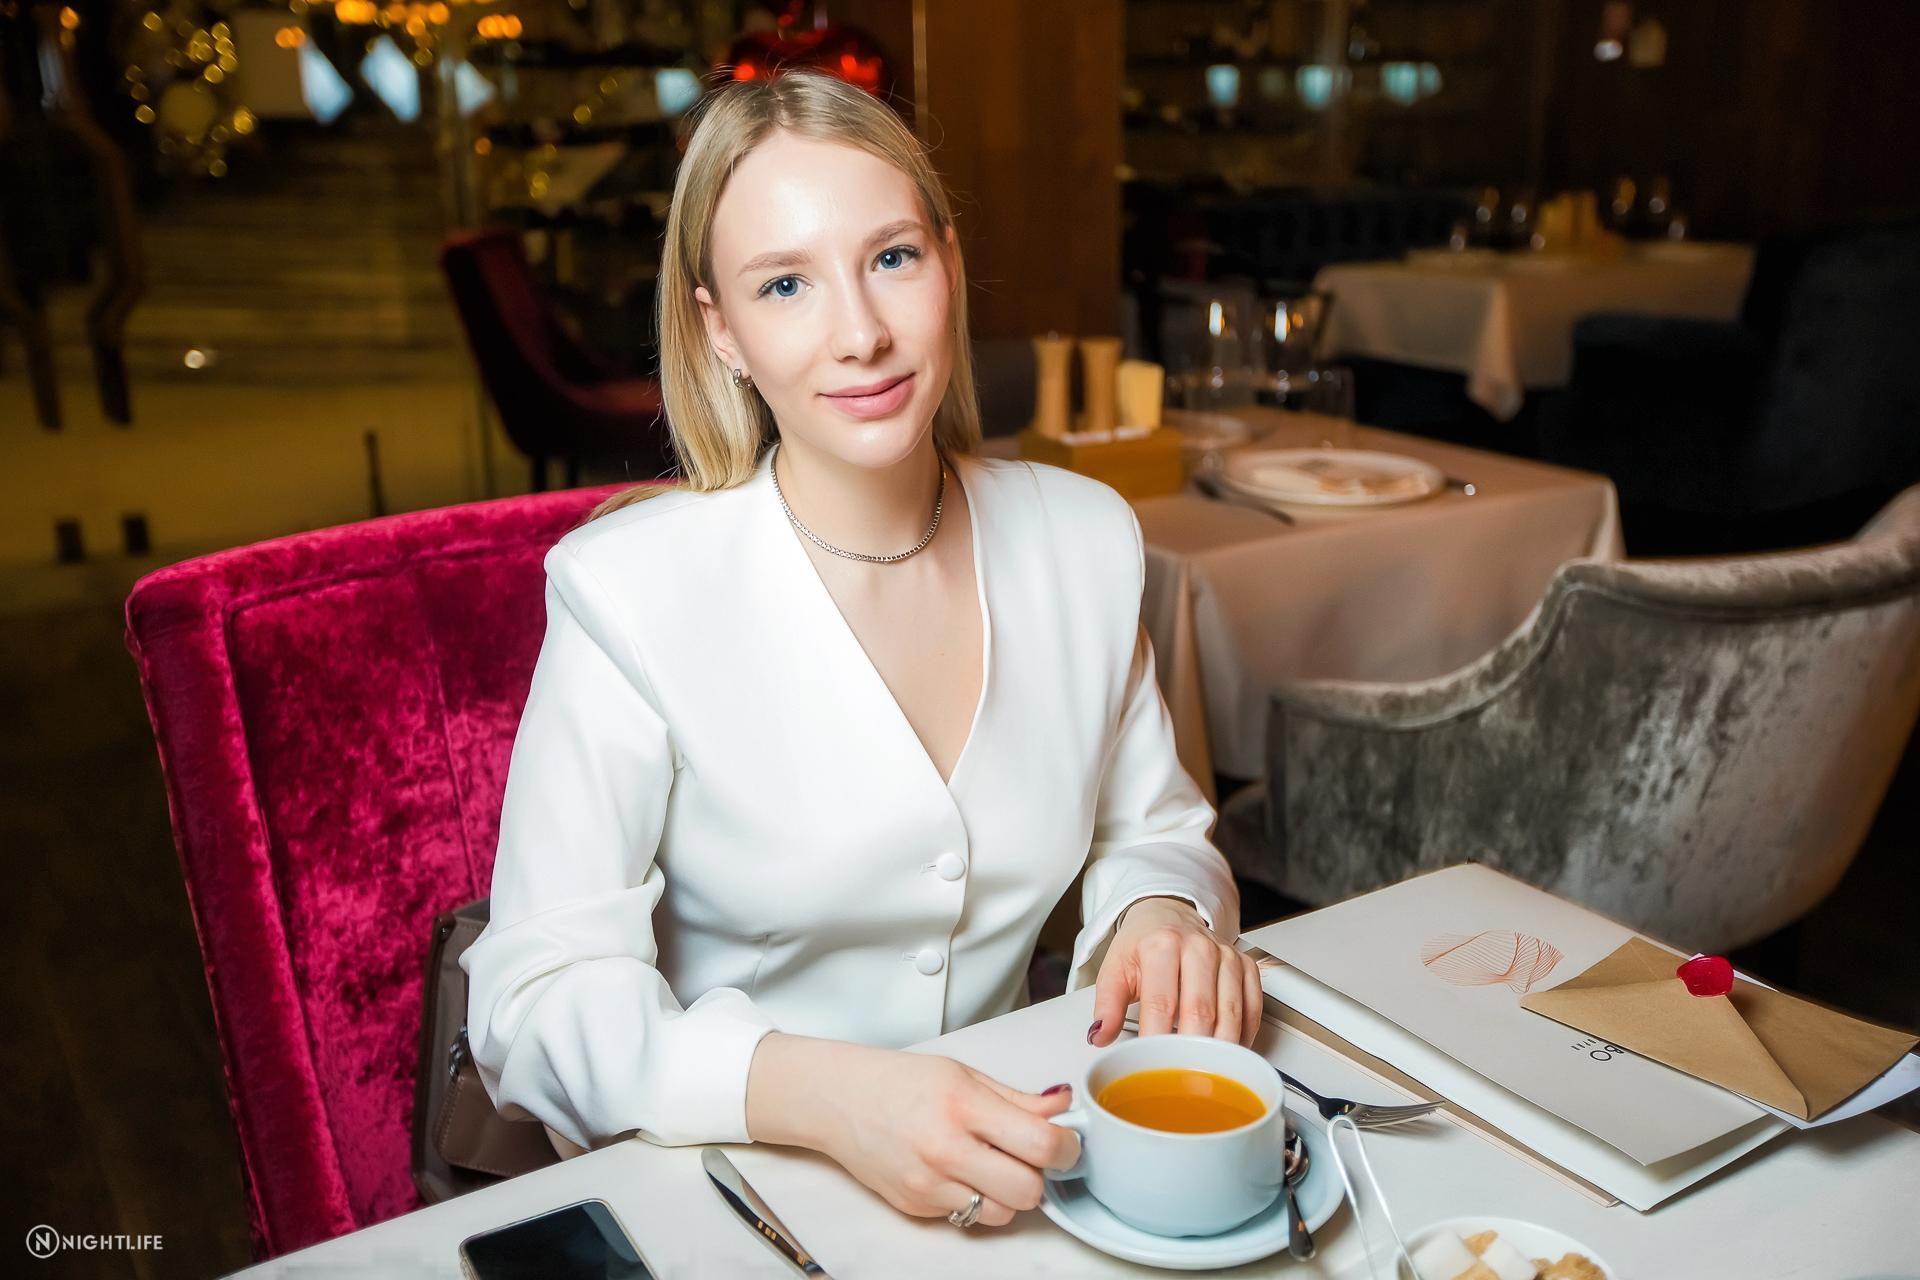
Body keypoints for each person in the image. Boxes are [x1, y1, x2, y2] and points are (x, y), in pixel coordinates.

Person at [461, 69, 1259, 1233]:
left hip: (1020, 1181)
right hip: (726, 1197)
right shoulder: (627, 591)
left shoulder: (1084, 537)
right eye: (785, 283)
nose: (862, 332)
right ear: (721, 331)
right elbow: (530, 1006)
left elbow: (1156, 830)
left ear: (949, 262)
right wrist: (827, 1095)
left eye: (892, 256)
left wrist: (1161, 911)